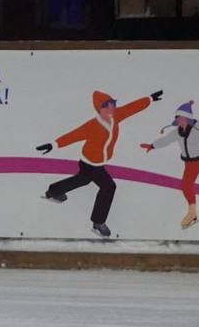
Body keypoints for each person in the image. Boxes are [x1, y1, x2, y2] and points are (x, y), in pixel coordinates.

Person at [36, 89, 162, 237]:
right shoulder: (92, 125)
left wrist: (149, 99)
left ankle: (53, 191)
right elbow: (73, 135)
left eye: (112, 104)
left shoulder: (116, 115)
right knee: (108, 187)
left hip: (95, 164)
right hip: (90, 164)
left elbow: (132, 108)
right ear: (99, 109)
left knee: (82, 179)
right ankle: (98, 222)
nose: (111, 108)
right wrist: (53, 144)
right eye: (106, 106)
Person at [140, 100, 199, 229]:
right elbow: (166, 140)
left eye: (180, 117)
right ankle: (192, 213)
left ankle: (192, 213)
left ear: (187, 118)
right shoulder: (177, 133)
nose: (178, 120)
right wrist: (152, 146)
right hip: (189, 165)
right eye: (177, 118)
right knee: (186, 186)